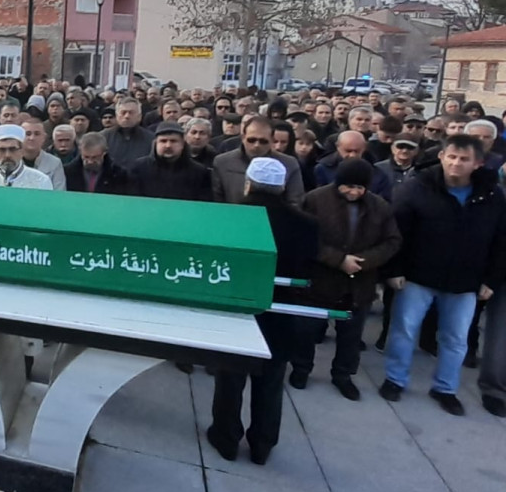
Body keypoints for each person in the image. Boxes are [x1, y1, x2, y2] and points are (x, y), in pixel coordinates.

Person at [380, 134, 506, 415]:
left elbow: (500, 241)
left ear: (478, 163)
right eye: (451, 157)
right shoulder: (418, 188)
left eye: (464, 159)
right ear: (441, 157)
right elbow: (397, 231)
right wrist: (394, 270)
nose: (456, 164)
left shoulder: (492, 194)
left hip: (465, 282)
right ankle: (395, 379)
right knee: (404, 331)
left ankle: (445, 388)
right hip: (417, 276)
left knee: (455, 338)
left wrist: (490, 280)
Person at [208, 157, 318, 465]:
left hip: (237, 310)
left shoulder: (230, 218)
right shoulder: (306, 225)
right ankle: (262, 444)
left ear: (248, 183)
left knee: (231, 377)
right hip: (280, 312)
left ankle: (226, 437)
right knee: (270, 380)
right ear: (283, 186)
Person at [299, 159, 401, 400]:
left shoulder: (380, 207)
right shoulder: (315, 200)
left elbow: (392, 241)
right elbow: (304, 238)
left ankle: (343, 376)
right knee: (307, 331)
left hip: (358, 283)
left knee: (351, 336)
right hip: (320, 280)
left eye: (359, 187)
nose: (353, 192)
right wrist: (337, 259)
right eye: (348, 186)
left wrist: (363, 261)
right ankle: (301, 369)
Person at [211, 116, 305, 206]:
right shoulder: (222, 162)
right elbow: (217, 200)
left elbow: (295, 202)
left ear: (272, 140)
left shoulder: (289, 164)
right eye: (251, 140)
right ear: (243, 138)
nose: (257, 145)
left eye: (263, 141)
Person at [127, 123, 213, 201]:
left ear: (182, 144)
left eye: (173, 141)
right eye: (163, 141)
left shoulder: (199, 172)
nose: (168, 145)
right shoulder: (139, 167)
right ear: (156, 143)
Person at [0, 124, 54, 188]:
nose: (7, 155)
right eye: (2, 150)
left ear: (21, 151)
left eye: (12, 149)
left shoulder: (41, 180)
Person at [103, 98, 153, 169]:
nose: (127, 116)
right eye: (123, 112)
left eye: (131, 113)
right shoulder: (103, 138)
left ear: (139, 116)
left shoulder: (151, 139)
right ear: (117, 116)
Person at [21, 116, 66, 189]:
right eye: (28, 134)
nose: (32, 138)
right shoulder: (13, 162)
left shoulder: (54, 163)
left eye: (37, 134)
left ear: (44, 138)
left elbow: (59, 193)